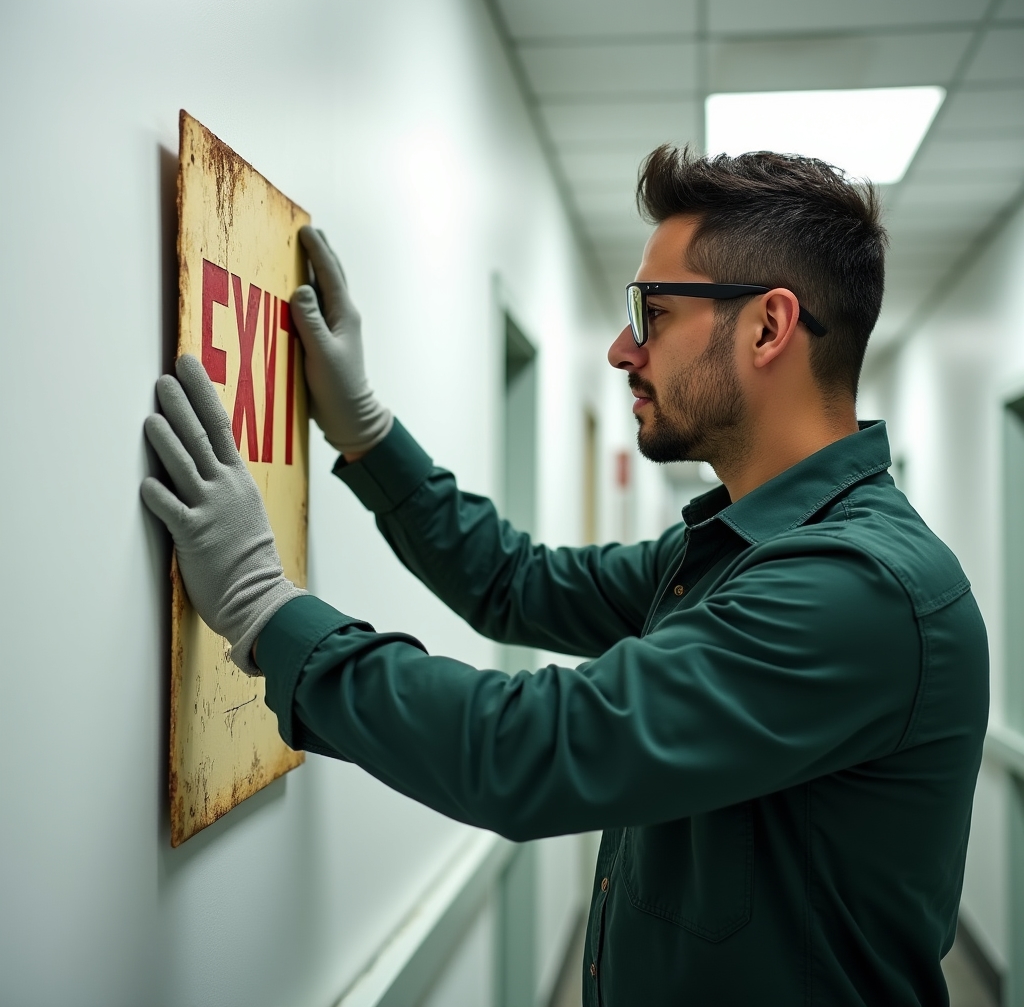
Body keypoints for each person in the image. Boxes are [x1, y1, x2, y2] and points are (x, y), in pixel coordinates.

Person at [141, 146, 988, 1005]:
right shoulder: (739, 553)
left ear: (769, 327)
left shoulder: (854, 589)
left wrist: (259, 607)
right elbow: (515, 582)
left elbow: (529, 753)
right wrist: (367, 432)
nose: (624, 350)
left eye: (652, 313)